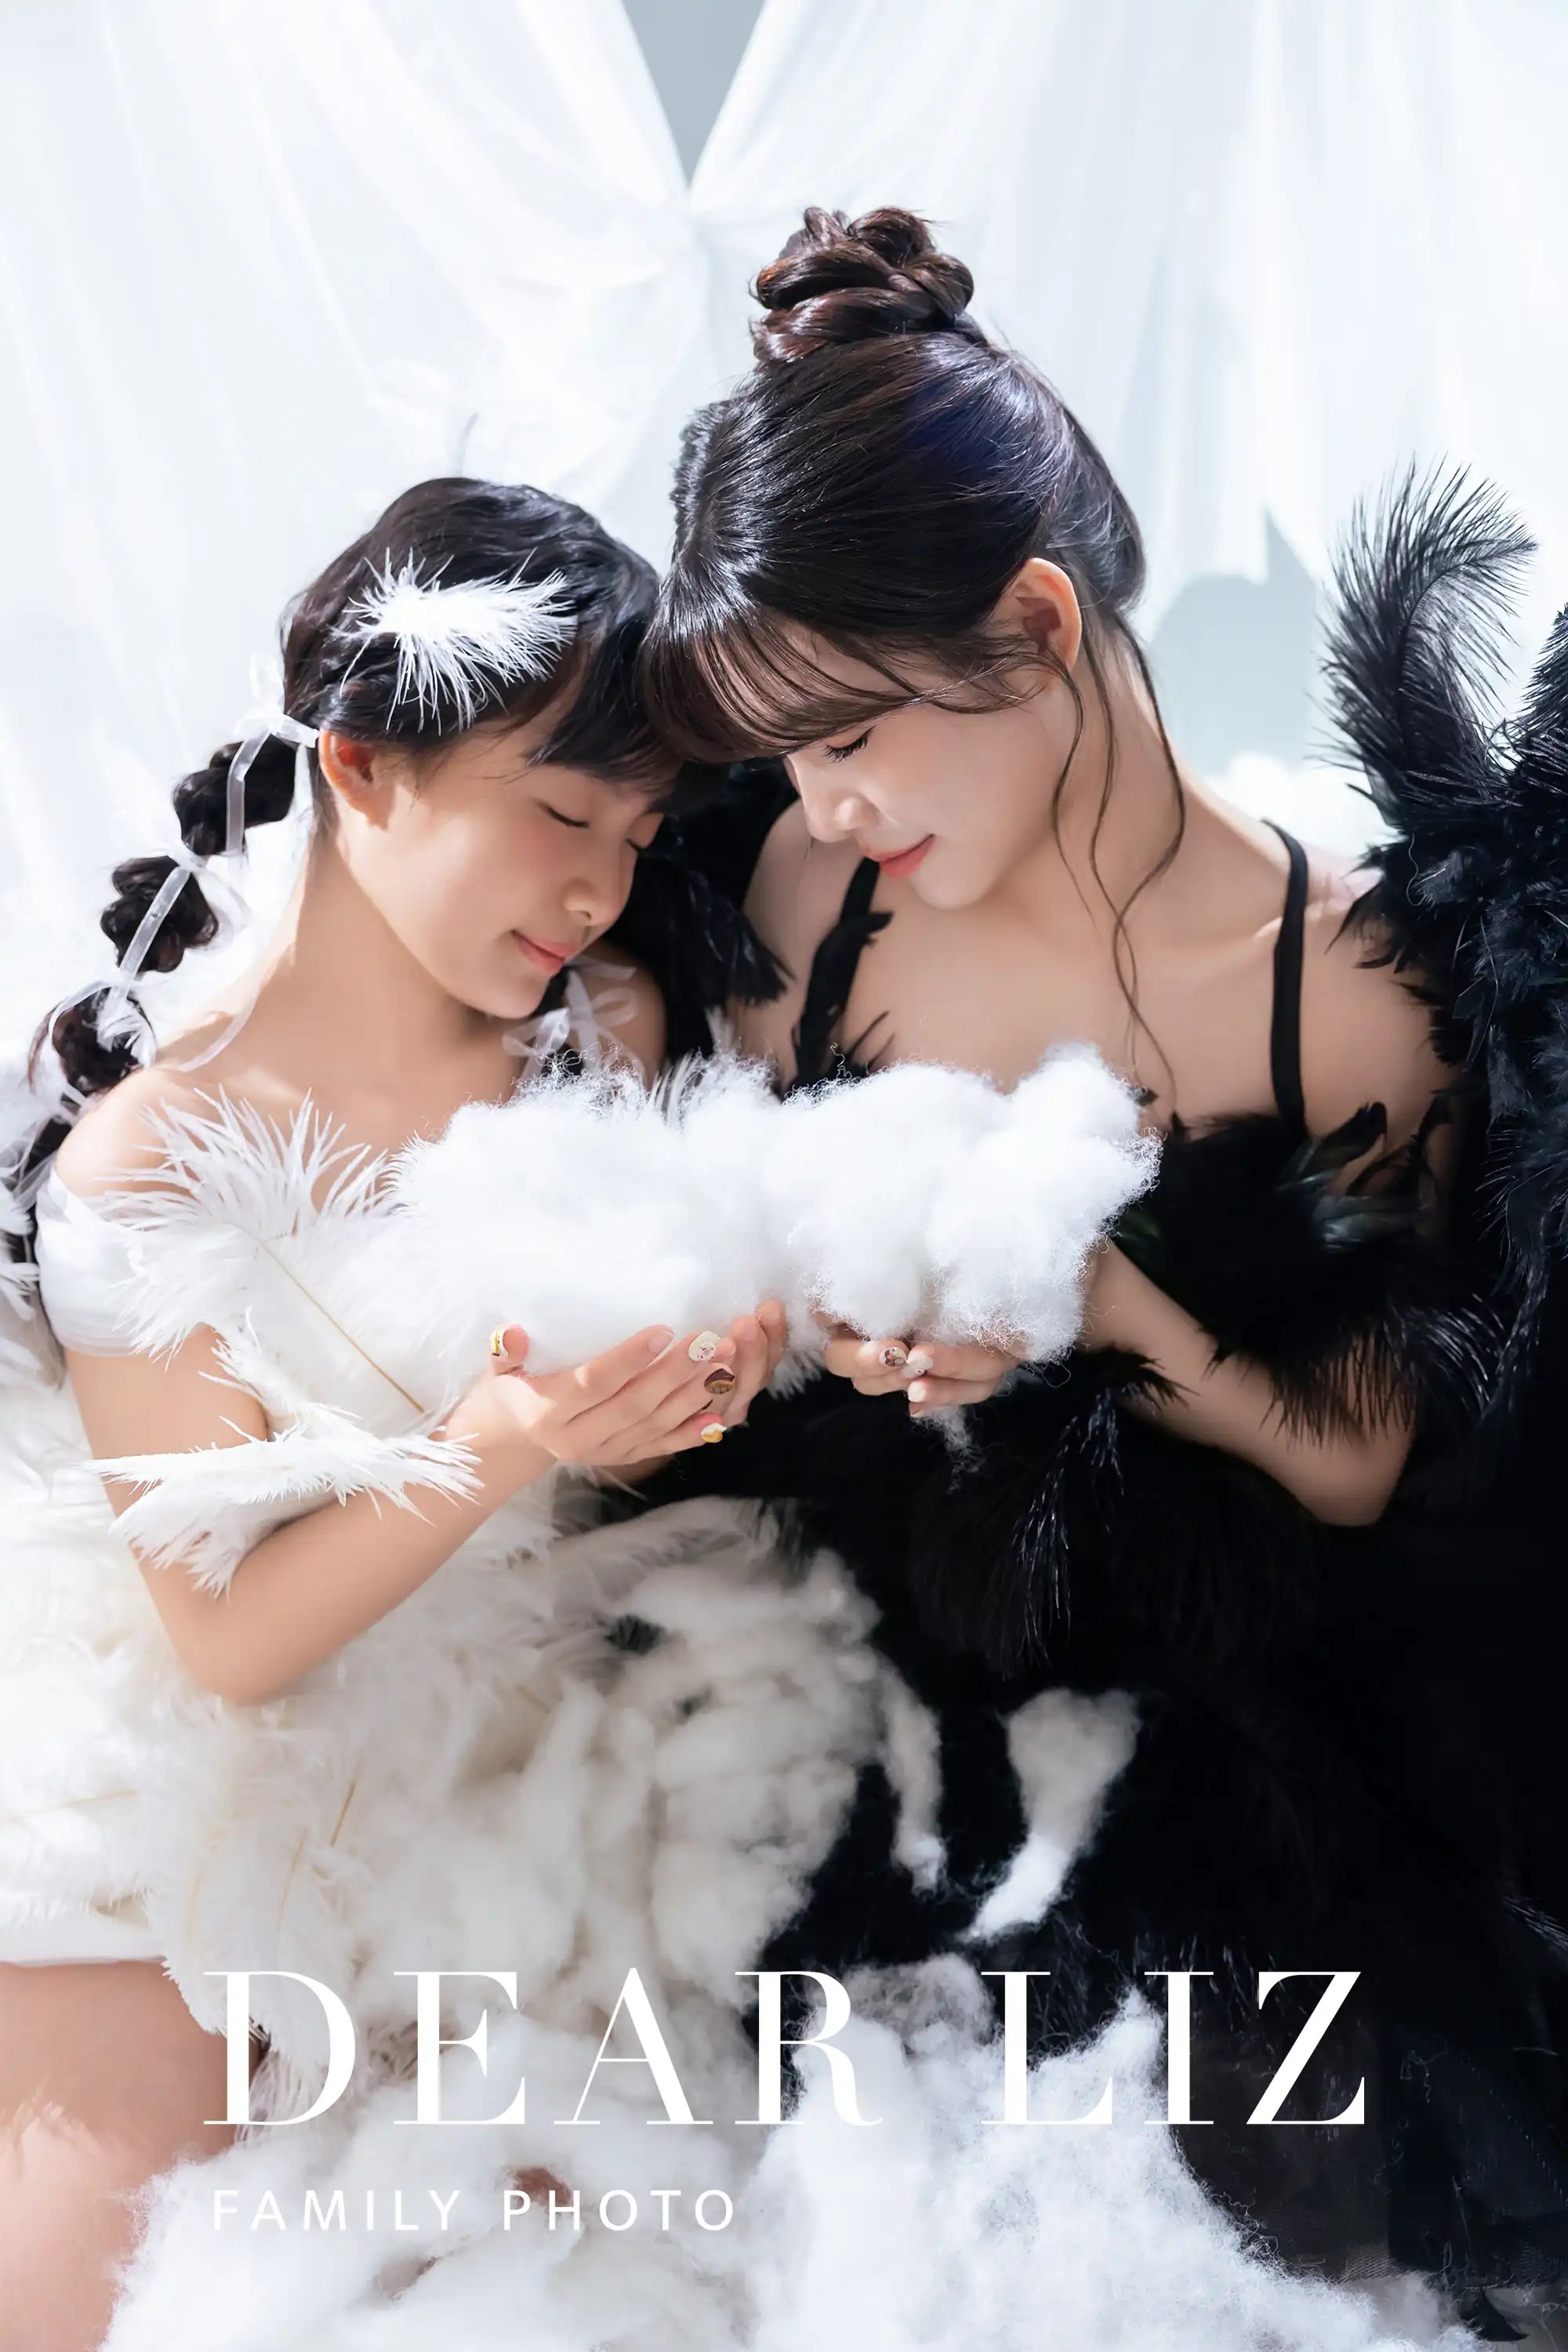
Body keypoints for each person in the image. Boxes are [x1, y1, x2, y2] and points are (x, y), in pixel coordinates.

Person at [635, 206, 1568, 2337]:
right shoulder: (801, 897)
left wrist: (1113, 1312)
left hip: (1223, 1744)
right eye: (791, 750)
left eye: (852, 733)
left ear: (1037, 625)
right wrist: (821, 1327)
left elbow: (1366, 1466)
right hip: (840, 1692)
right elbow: (712, 1239)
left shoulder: (1349, 983)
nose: (821, 799)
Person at [0, 476, 789, 2352]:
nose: (599, 884)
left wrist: (719, 1369)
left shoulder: (606, 1032)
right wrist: (503, 1440)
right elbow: (227, 1638)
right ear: (360, 768)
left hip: (537, 1761)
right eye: (559, 813)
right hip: (204, 1779)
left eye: (637, 831)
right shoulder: (149, 1160)